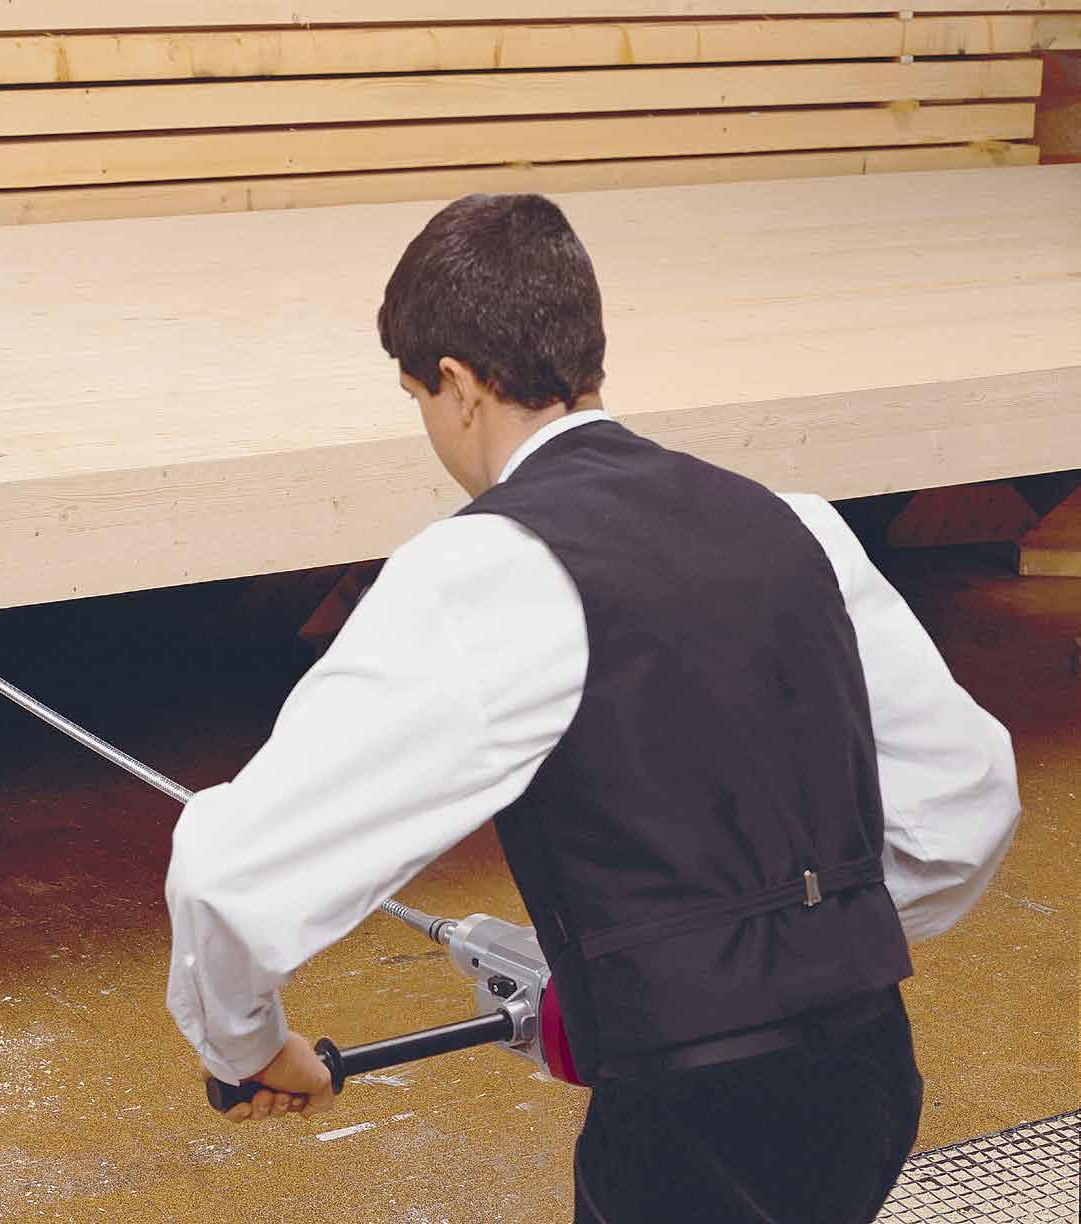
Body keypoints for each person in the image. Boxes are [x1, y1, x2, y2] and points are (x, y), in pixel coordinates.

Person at [164, 194, 1020, 1222]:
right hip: (868, 1079)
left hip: (693, 1127)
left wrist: (251, 1049)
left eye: (419, 399)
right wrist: (778, 964)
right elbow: (967, 798)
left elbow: (227, 875)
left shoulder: (488, 564)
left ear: (456, 385)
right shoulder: (794, 522)